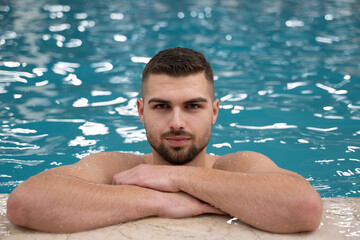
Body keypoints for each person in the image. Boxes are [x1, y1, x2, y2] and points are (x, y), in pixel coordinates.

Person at [6, 47, 322, 234]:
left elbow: (304, 208)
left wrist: (172, 175)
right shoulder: (120, 166)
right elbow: (25, 203)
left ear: (214, 112)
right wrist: (161, 200)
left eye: (193, 106)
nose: (176, 123)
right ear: (141, 111)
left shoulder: (237, 165)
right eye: (161, 106)